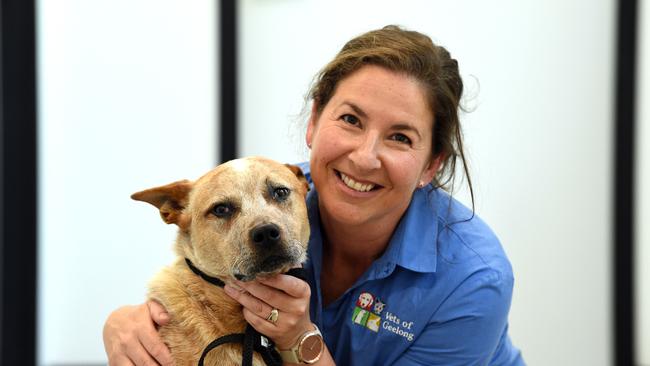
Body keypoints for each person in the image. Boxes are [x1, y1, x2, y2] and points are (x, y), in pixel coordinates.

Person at [103, 25, 525, 365]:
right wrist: (123, 324)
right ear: (314, 122)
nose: (363, 157)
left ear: (430, 165)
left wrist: (299, 338)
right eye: (350, 119)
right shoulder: (282, 190)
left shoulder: (473, 281)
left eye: (399, 136)